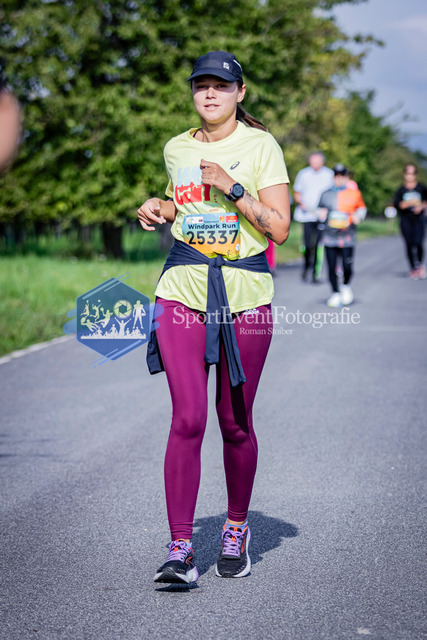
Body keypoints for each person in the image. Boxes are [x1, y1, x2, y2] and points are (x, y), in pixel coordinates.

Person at [137, 51, 290, 584]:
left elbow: (279, 228)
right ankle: (181, 549)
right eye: (201, 84)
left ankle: (236, 527)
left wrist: (232, 184)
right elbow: (184, 208)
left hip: (244, 295)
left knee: (234, 423)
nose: (209, 93)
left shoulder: (261, 146)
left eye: (221, 86)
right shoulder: (176, 147)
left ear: (239, 93)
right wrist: (159, 207)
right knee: (187, 419)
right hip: (181, 289)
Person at [317, 163, 366, 308]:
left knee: (347, 266)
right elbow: (319, 209)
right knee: (331, 266)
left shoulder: (354, 193)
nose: (339, 179)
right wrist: (320, 214)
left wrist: (358, 216)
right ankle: (335, 292)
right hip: (329, 236)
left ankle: (345, 285)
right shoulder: (325, 194)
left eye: (342, 176)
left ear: (346, 177)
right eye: (336, 176)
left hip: (347, 236)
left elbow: (361, 208)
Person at [293, 151, 334, 283]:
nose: (315, 164)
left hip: (321, 215)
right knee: (307, 244)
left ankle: (315, 273)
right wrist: (302, 204)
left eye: (317, 162)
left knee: (318, 245)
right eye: (313, 162)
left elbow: (333, 194)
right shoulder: (303, 174)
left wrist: (327, 209)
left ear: (322, 162)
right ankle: (306, 265)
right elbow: (297, 192)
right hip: (306, 215)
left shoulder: (329, 174)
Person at [393, 164, 427, 280]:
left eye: (412, 173)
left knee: (418, 242)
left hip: (418, 219)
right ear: (404, 175)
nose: (410, 176)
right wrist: (409, 203)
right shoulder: (401, 190)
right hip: (406, 219)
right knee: (409, 243)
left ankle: (420, 266)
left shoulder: (421, 188)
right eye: (408, 173)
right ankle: (413, 268)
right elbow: (398, 204)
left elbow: (425, 201)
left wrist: (421, 207)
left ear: (415, 175)